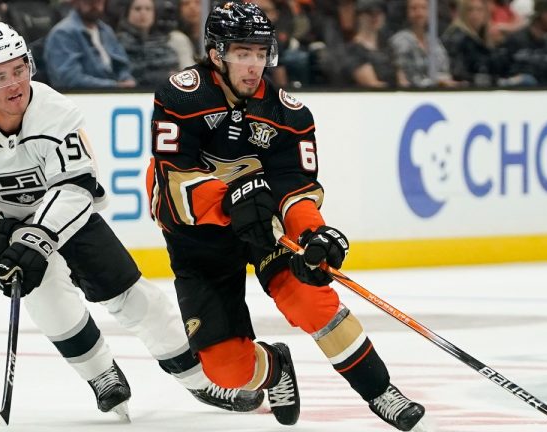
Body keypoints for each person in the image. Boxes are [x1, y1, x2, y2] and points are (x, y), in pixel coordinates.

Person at [0, 22, 263, 420]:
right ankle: (101, 375)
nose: (14, 84)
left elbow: (76, 190)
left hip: (59, 217)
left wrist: (40, 235)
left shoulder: (57, 112)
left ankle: (203, 381)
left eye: (19, 69)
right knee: (44, 290)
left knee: (135, 297)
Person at [146, 2, 425, 430]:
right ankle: (274, 367)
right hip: (198, 237)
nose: (254, 64)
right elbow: (173, 186)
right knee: (226, 371)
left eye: (261, 53)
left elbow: (296, 190)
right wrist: (229, 200)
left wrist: (314, 234)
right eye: (243, 52)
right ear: (216, 53)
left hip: (261, 228)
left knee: (312, 299)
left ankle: (381, 392)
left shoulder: (288, 114)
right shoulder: (180, 97)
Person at [45, 0, 136, 88]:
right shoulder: (63, 33)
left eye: (99, 2)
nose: (95, 6)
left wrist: (126, 79)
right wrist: (114, 86)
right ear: (77, 2)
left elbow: (122, 65)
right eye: (89, 1)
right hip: (80, 98)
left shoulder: (106, 31)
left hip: (115, 95)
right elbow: (69, 79)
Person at [116, 0, 180, 88]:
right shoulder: (119, 42)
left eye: (148, 9)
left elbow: (174, 66)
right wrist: (164, 76)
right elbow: (131, 73)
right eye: (137, 9)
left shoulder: (163, 42)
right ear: (127, 13)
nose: (143, 13)